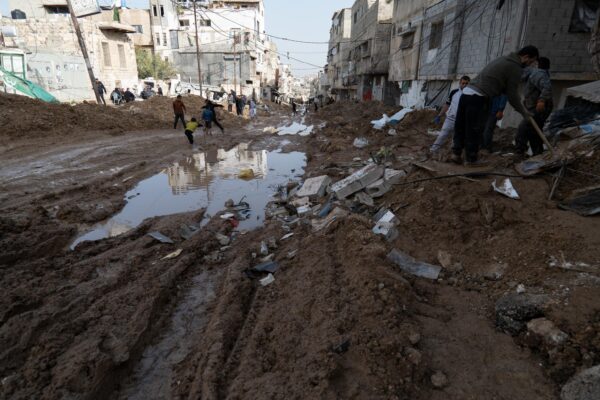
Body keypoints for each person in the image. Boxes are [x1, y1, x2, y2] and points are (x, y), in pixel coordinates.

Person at [452, 45, 539, 166]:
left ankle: (456, 153)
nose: (530, 64)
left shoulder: (503, 59)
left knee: (461, 125)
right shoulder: (515, 67)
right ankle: (471, 160)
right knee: (474, 130)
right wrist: (524, 113)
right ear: (525, 57)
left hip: (466, 93)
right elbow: (512, 95)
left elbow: (499, 84)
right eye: (531, 61)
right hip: (478, 97)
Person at [516, 56, 553, 156]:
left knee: (523, 128)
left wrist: (541, 101)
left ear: (536, 64)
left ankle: (520, 152)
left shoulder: (538, 73)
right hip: (538, 106)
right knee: (534, 130)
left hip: (539, 107)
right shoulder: (540, 73)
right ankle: (538, 154)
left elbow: (547, 87)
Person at [430, 76, 471, 155]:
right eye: (463, 83)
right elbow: (447, 105)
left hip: (462, 121)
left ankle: (451, 154)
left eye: (467, 83)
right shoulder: (454, 92)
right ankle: (433, 150)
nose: (465, 85)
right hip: (450, 119)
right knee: (442, 135)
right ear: (460, 83)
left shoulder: (471, 95)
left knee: (456, 138)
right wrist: (439, 115)